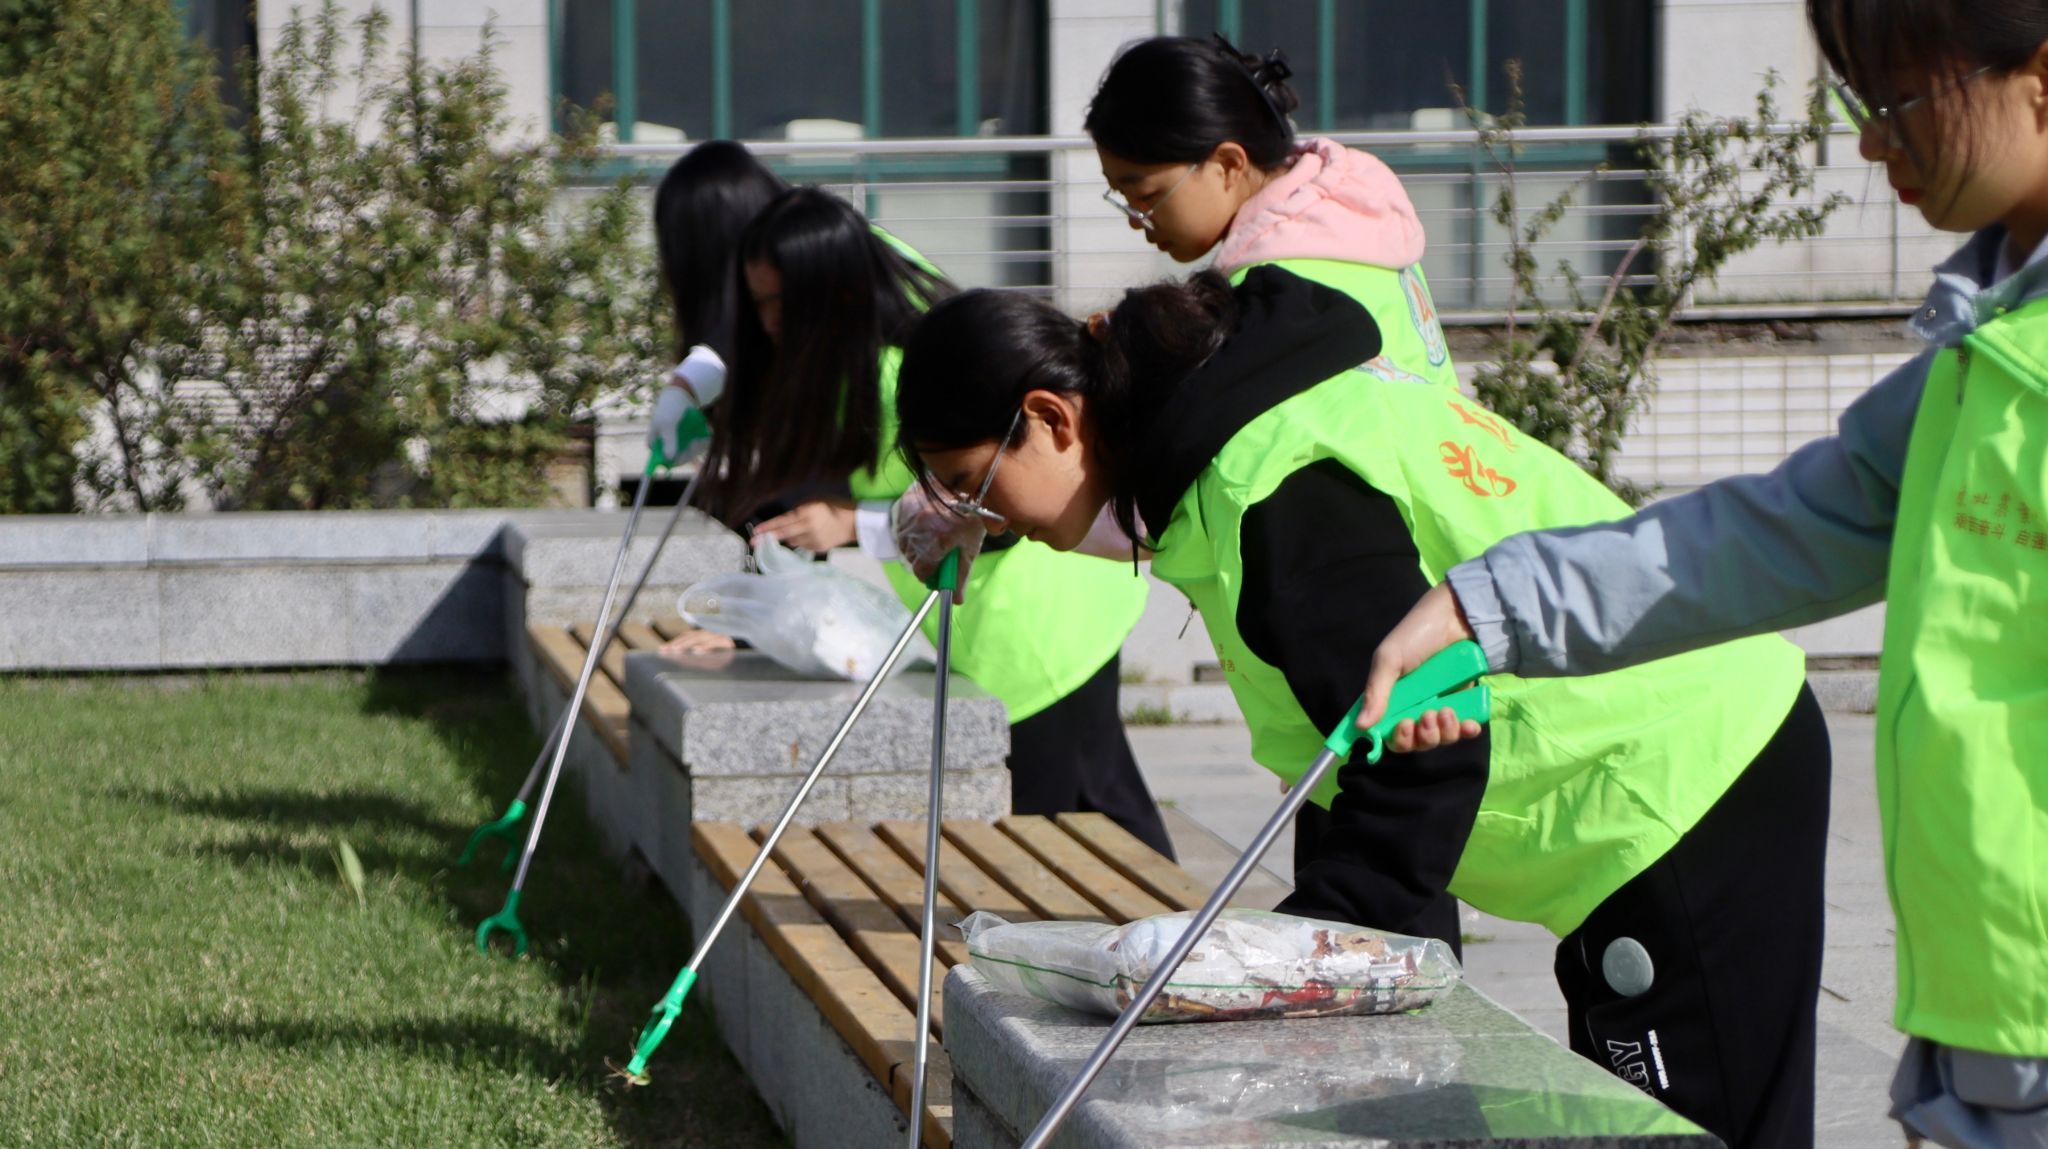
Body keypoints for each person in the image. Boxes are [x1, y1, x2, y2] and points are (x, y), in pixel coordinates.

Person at [893, 267, 1832, 1149]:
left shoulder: (1273, 486)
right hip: (1628, 796)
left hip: (1679, 779)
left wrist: (1287, 956)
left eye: (975, 486)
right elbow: (1359, 729)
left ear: (1051, 415)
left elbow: (1431, 752)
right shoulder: (1228, 432)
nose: (986, 519)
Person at [1360, 4, 2048, 1145]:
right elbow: (1779, 530)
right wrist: (1491, 601)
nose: (1872, 141)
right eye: (1857, 103)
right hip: (1991, 987)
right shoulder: (1988, 350)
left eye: (1899, 99)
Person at [705, 186, 1169, 856]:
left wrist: (853, 524)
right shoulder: (849, 363)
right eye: (760, 303)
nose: (768, 322)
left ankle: (1174, 922)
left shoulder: (899, 375)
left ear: (836, 292)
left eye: (782, 303)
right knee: (1099, 817)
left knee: (1070, 839)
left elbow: (984, 508)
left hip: (1040, 626)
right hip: (1008, 629)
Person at [1086, 35, 1453, 388]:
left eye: (1146, 195)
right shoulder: (1356, 219)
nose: (1135, 219)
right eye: (1121, 196)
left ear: (1228, 164)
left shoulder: (1276, 292)